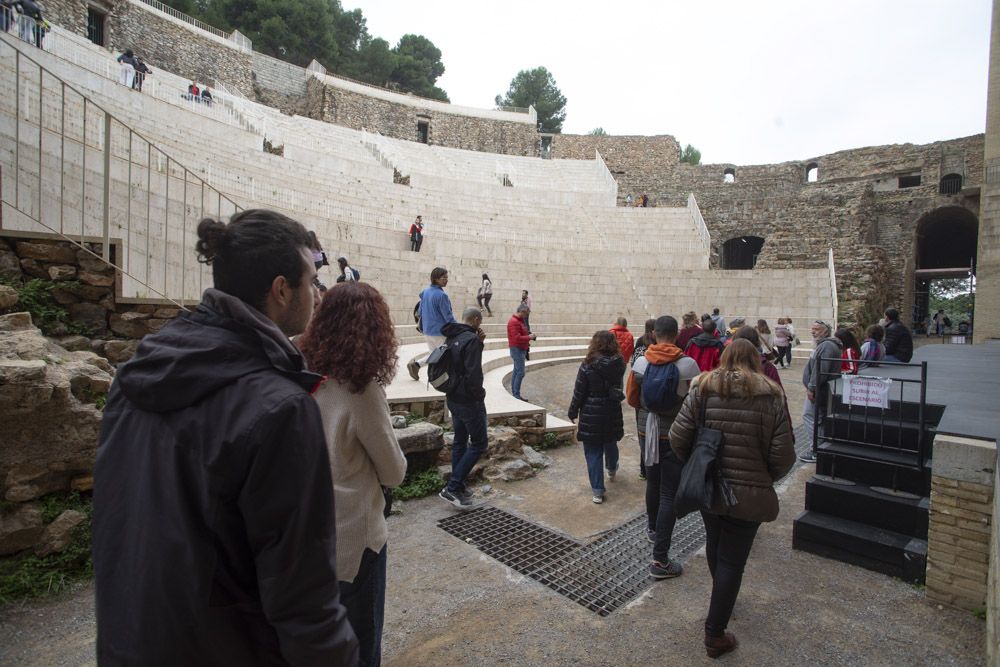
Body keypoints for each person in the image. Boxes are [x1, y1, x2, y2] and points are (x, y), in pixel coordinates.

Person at [92, 210, 358, 664]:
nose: (318, 293)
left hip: (131, 637)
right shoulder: (280, 408)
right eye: (312, 280)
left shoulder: (141, 369)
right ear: (280, 290)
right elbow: (300, 591)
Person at [299, 282, 406, 667]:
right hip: (354, 544)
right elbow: (393, 472)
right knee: (360, 647)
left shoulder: (301, 375)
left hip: (306, 536)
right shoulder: (361, 391)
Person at [668, 339, 795, 659]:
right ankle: (715, 634)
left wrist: (698, 466)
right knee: (732, 561)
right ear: (756, 360)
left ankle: (721, 597)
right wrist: (763, 476)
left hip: (710, 486)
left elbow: (677, 437)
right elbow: (784, 456)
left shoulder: (703, 388)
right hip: (748, 493)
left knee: (715, 542)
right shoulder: (771, 395)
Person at [626, 315, 700, 576]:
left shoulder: (641, 363)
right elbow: (695, 404)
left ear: (655, 334)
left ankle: (652, 529)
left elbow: (632, 399)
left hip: (648, 433)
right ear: (677, 334)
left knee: (653, 484)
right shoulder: (689, 365)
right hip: (676, 436)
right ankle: (660, 560)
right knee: (669, 493)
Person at [568, 330, 626, 504]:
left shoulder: (587, 364)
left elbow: (579, 391)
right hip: (610, 408)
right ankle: (612, 468)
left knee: (593, 450)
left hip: (591, 411)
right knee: (610, 441)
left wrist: (572, 411)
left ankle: (597, 492)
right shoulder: (619, 364)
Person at [438, 307, 488, 508]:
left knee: (460, 441)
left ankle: (457, 487)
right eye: (480, 321)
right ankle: (453, 486)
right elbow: (473, 373)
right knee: (479, 443)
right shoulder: (471, 339)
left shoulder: (452, 335)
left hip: (453, 397)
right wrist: (479, 396)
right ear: (475, 320)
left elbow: (458, 364)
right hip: (469, 401)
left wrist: (480, 344)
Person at [798, 320, 843, 463]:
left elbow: (821, 370)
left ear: (825, 331)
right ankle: (819, 448)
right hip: (820, 389)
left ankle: (816, 450)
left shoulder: (827, 346)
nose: (813, 331)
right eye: (812, 329)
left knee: (810, 417)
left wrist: (812, 388)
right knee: (818, 418)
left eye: (816, 329)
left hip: (820, 390)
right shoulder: (824, 345)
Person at [407, 267, 456, 380]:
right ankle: (445, 378)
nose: (446, 280)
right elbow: (448, 317)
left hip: (427, 330)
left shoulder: (425, 292)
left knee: (435, 354)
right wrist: (460, 328)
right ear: (436, 279)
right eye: (444, 278)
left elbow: (420, 311)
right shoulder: (442, 296)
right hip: (440, 332)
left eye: (447, 277)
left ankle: (416, 365)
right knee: (444, 355)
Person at [507, 303, 536, 400]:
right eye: (526, 314)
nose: (527, 316)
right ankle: (516, 395)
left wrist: (530, 335)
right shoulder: (514, 322)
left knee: (517, 370)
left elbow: (522, 332)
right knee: (520, 372)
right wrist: (529, 337)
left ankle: (515, 393)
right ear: (522, 311)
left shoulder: (519, 321)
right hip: (517, 349)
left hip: (520, 349)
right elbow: (516, 338)